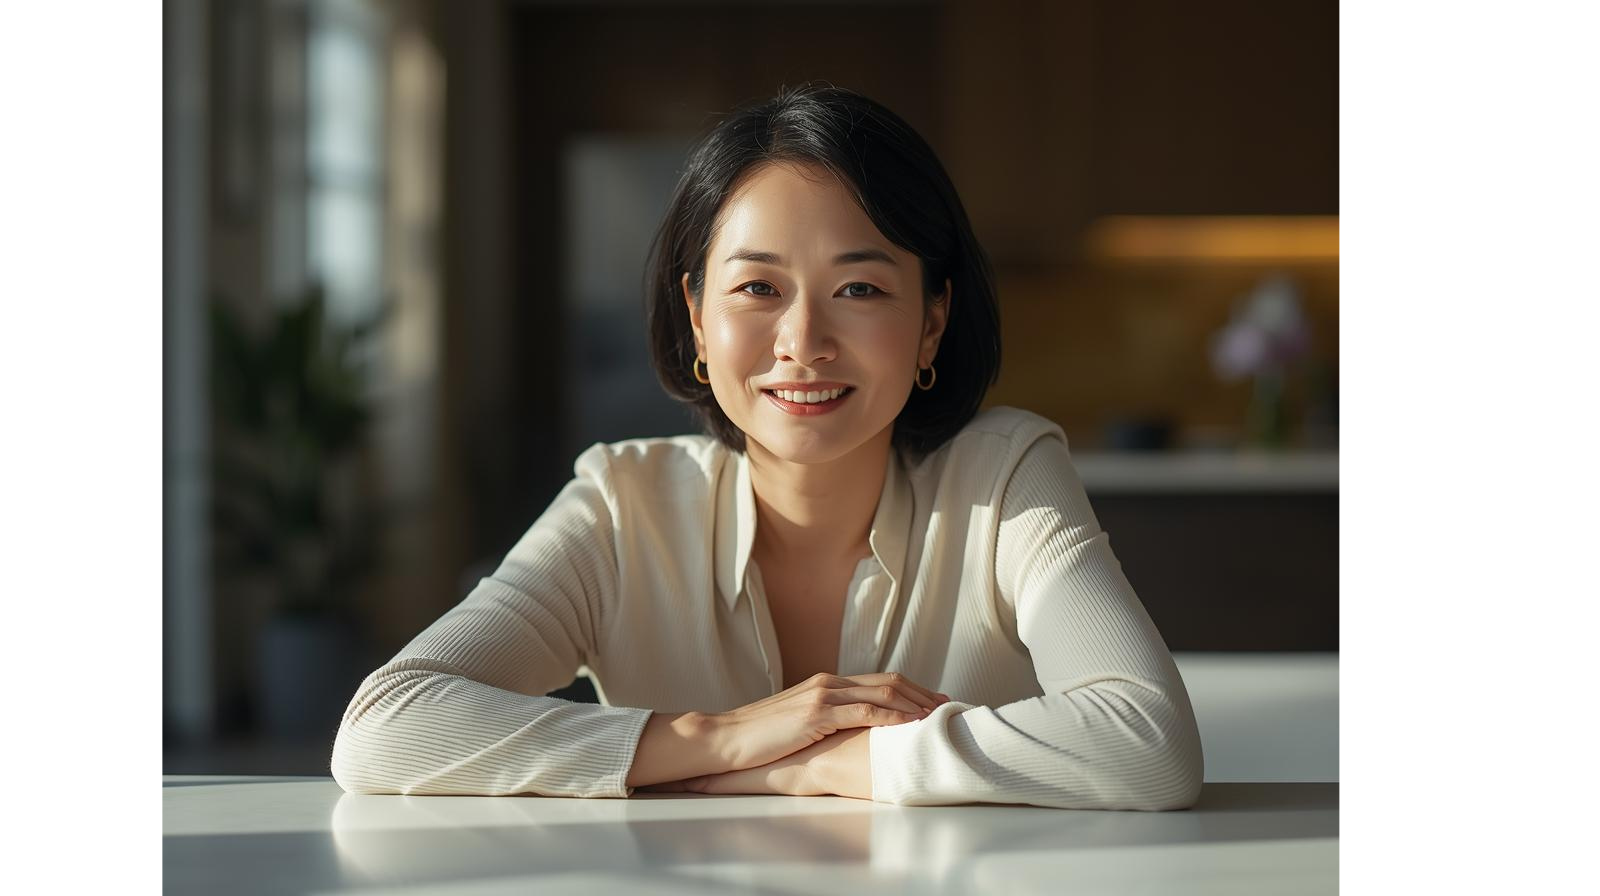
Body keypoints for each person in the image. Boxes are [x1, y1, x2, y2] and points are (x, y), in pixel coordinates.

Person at [330, 83, 1204, 810]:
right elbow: (386, 726)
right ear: (696, 318)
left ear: (932, 321)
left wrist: (818, 766)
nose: (803, 342)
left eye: (859, 289)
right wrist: (721, 737)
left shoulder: (1005, 476)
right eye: (757, 287)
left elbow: (1149, 743)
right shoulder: (622, 503)